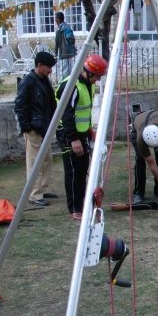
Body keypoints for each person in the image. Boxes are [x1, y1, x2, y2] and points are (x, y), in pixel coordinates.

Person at [56, 54, 107, 220]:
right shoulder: (71, 85)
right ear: (89, 72)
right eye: (98, 76)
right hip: (69, 135)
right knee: (73, 171)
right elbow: (67, 114)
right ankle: (74, 208)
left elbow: (84, 111)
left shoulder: (88, 84)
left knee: (83, 169)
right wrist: (73, 139)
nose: (98, 80)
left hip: (82, 133)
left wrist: (89, 130)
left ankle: (83, 203)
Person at [14, 51, 58, 206]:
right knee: (34, 163)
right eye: (48, 67)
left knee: (47, 159)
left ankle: (43, 189)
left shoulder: (44, 80)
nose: (50, 70)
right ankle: (34, 195)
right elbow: (20, 106)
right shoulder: (28, 82)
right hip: (34, 129)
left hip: (45, 127)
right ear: (39, 66)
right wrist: (27, 128)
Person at [131, 109, 158, 205]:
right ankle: (140, 193)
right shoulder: (140, 140)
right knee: (140, 160)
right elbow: (152, 164)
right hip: (137, 129)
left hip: (156, 125)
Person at [55, 12, 76, 79]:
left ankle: (65, 85)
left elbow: (71, 39)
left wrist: (71, 47)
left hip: (66, 52)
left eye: (56, 18)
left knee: (65, 71)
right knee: (65, 70)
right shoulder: (60, 28)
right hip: (63, 52)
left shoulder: (65, 28)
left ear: (58, 19)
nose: (55, 20)